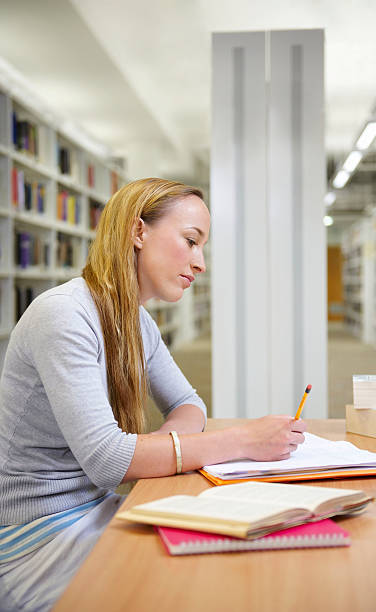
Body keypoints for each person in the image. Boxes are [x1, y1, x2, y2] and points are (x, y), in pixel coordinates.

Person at [0, 178, 306, 611]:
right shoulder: (65, 314)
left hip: (95, 509)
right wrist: (242, 440)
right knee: (201, 587)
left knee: (236, 552)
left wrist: (155, 449)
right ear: (138, 232)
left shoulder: (137, 322)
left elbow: (189, 404)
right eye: (190, 241)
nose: (200, 264)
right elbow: (108, 460)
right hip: (36, 534)